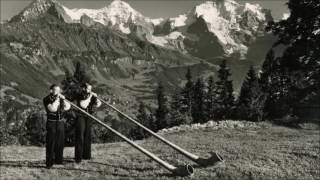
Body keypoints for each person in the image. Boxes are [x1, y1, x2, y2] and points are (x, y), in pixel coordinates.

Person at [43, 84, 71, 168]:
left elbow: (67, 108)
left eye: (59, 90)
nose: (58, 92)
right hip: (51, 122)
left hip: (60, 122)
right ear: (51, 90)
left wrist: (64, 99)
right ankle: (49, 163)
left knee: (60, 142)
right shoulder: (47, 99)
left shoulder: (61, 99)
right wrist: (57, 100)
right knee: (51, 143)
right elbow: (52, 109)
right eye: (56, 90)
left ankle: (58, 161)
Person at [75, 83, 101, 163]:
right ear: (83, 88)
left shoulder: (91, 95)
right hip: (81, 116)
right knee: (80, 136)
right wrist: (90, 97)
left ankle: (86, 156)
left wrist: (96, 99)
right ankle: (78, 158)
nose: (90, 91)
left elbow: (98, 105)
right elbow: (83, 105)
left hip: (89, 116)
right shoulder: (79, 95)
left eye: (90, 89)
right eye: (88, 89)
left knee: (87, 136)